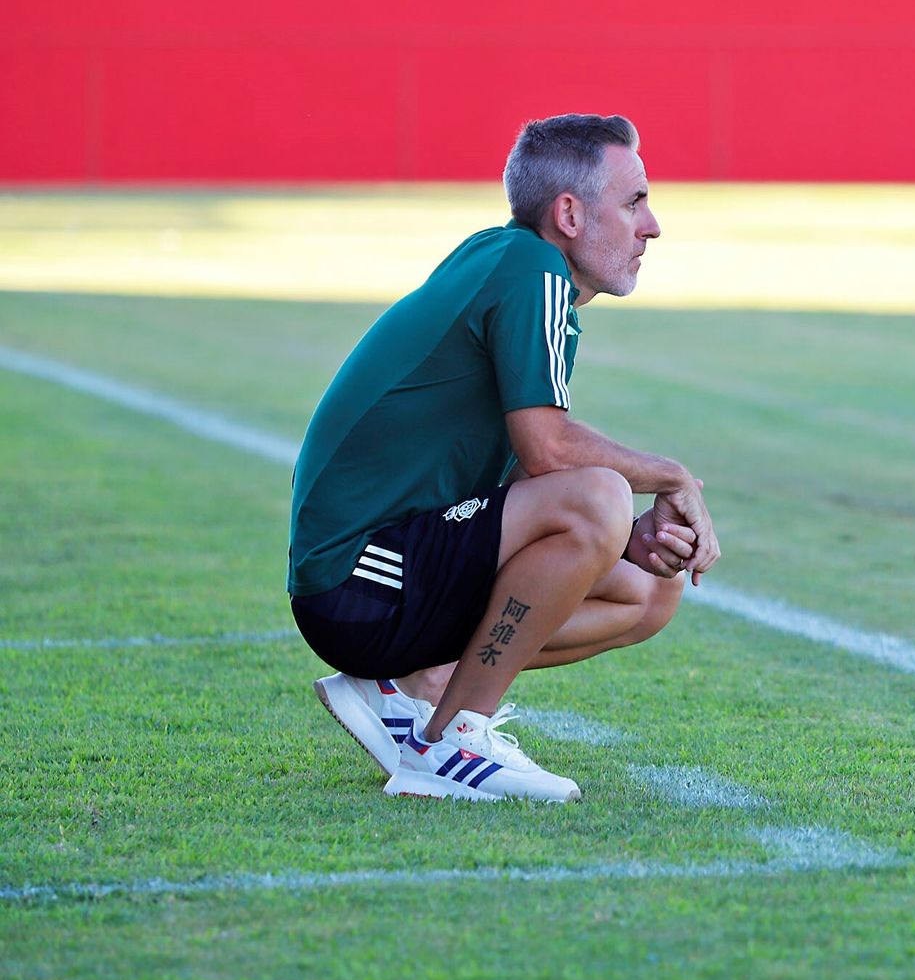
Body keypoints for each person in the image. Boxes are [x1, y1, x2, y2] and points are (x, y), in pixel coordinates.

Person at [287, 114, 719, 803]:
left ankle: (420, 686)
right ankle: (450, 738)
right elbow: (549, 451)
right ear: (569, 214)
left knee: (646, 592)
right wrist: (668, 475)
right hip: (358, 578)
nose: (652, 225)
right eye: (634, 201)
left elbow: (518, 471)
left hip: (392, 568)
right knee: (601, 495)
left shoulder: (510, 261)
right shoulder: (533, 270)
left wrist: (628, 543)